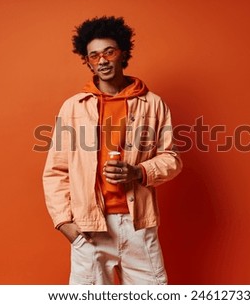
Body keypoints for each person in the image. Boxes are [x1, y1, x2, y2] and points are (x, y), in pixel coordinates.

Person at [43, 16, 182, 285]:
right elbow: (56, 170)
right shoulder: (74, 107)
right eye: (94, 56)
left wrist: (139, 171)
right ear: (87, 61)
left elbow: (172, 158)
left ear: (123, 53)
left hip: (138, 226)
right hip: (90, 228)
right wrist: (65, 223)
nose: (102, 61)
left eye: (109, 52)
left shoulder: (153, 104)